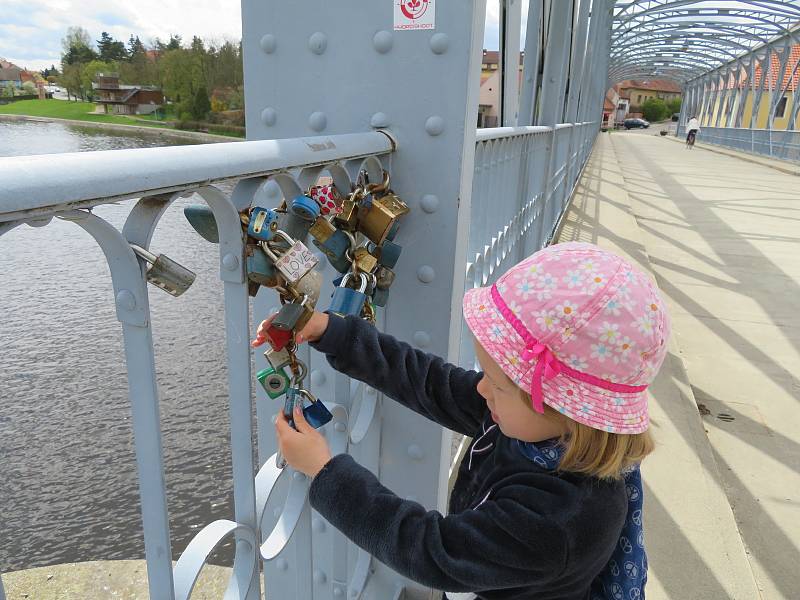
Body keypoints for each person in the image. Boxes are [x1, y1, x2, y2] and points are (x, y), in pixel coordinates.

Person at [252, 241, 671, 600]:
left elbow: (431, 550)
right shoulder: (537, 428)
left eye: (496, 382)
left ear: (564, 406)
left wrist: (325, 471)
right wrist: (332, 331)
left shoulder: (561, 520)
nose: (481, 389)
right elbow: (428, 381)